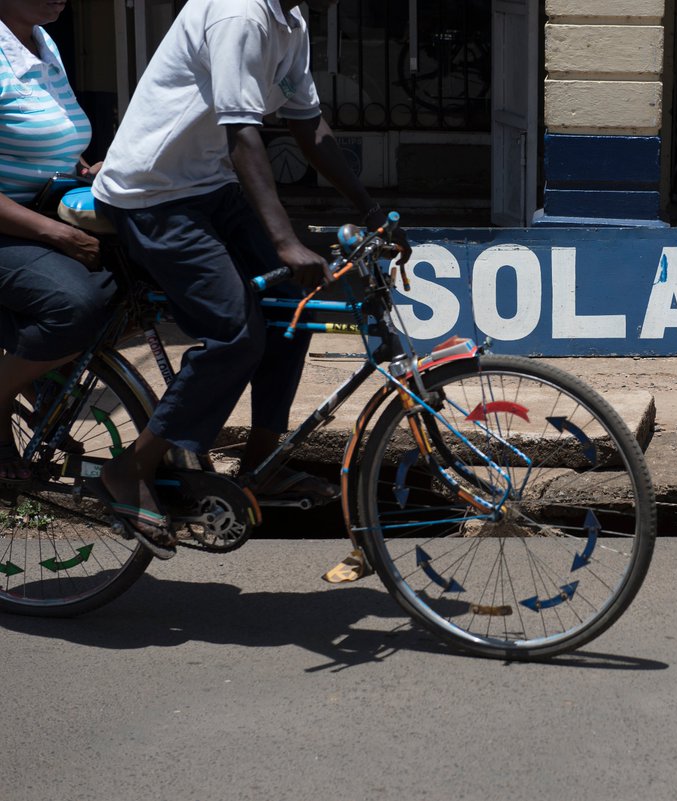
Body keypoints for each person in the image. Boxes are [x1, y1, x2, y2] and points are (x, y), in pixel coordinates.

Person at [91, 0, 407, 559]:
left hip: (208, 187)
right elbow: (241, 132)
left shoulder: (290, 19)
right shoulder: (239, 14)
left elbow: (308, 125)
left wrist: (371, 208)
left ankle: (262, 465)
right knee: (236, 334)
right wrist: (284, 241)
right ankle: (131, 468)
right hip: (153, 196)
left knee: (292, 307)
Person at [0, 0, 114, 483]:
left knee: (140, 281)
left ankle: (40, 376)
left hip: (45, 211)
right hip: (13, 227)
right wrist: (58, 233)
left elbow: (54, 137)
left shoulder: (43, 42)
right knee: (75, 304)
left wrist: (86, 170)